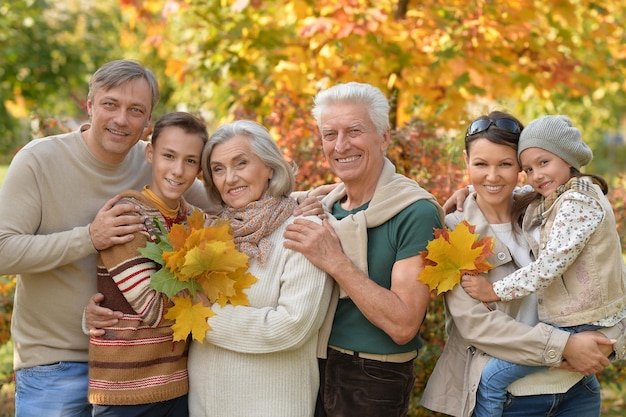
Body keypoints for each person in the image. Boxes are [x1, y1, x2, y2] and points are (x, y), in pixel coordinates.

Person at [0, 60, 215, 417]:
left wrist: (315, 197)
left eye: (136, 111)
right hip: (58, 363)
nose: (121, 119)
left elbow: (229, 202)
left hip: (137, 367)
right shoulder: (39, 161)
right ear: (90, 104)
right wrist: (89, 237)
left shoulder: (156, 162)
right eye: (110, 104)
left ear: (148, 122)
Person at [420, 112, 621, 417]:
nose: (492, 176)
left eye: (505, 164)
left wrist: (613, 339)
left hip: (576, 389)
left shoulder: (553, 210)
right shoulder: (454, 232)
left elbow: (605, 276)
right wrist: (565, 345)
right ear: (466, 162)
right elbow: (477, 325)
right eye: (480, 164)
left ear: (519, 167)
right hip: (512, 399)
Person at [282, 82, 444, 417]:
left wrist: (336, 261)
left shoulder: (414, 211)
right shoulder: (320, 205)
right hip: (308, 366)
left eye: (354, 131)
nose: (341, 146)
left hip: (372, 377)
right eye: (330, 134)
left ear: (384, 137)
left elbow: (403, 326)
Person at [183, 120, 333, 417]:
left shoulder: (303, 229)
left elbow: (292, 326)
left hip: (271, 404)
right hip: (204, 403)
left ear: (270, 167)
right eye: (218, 169)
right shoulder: (210, 233)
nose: (230, 178)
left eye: (241, 163)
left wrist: (205, 317)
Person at [87, 112, 209, 416]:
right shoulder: (127, 216)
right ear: (150, 153)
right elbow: (154, 309)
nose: (178, 170)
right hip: (124, 394)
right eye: (169, 155)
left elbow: (243, 222)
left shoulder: (195, 220)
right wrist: (205, 292)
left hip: (177, 387)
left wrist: (311, 197)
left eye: (190, 161)